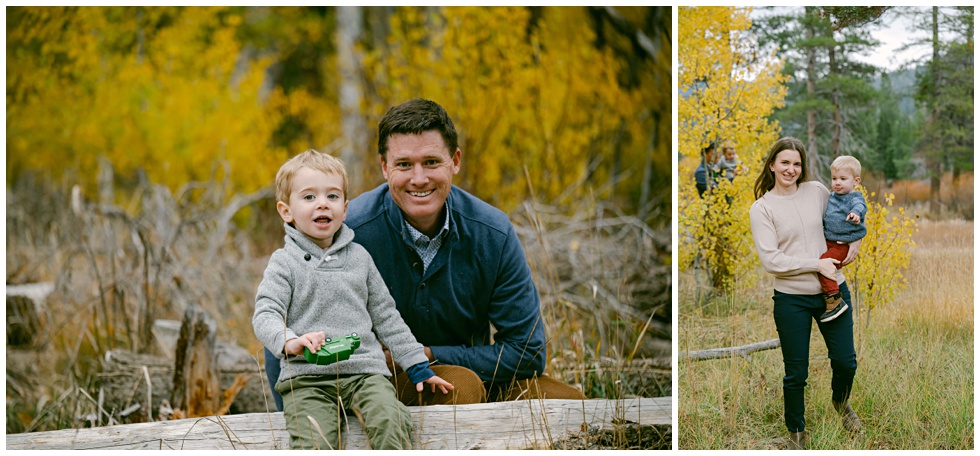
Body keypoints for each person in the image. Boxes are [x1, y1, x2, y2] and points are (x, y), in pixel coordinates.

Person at [264, 99, 585, 410]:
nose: (419, 179)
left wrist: (429, 353)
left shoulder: (492, 233)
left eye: (431, 162)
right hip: (376, 385)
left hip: (475, 375)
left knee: (567, 404)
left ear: (455, 161)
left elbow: (528, 352)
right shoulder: (344, 232)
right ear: (385, 167)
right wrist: (296, 419)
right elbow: (285, 327)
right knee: (461, 388)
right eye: (404, 164)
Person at [253, 149, 453, 449]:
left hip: (365, 373)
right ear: (286, 211)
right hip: (308, 379)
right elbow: (265, 313)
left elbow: (386, 316)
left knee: (392, 421)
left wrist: (416, 365)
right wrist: (288, 341)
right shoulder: (284, 263)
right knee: (314, 442)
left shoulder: (359, 258)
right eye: (309, 197)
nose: (322, 203)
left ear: (345, 209)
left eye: (332, 196)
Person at [748, 137, 862, 450]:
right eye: (785, 162)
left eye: (797, 163)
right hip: (791, 299)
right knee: (796, 371)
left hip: (834, 293)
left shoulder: (817, 192)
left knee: (846, 361)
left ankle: (841, 403)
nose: (791, 169)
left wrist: (855, 242)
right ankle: (796, 432)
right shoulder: (762, 209)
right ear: (772, 165)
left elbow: (848, 212)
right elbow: (772, 260)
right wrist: (816, 264)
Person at [819, 155, 867, 323]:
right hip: (830, 240)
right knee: (819, 259)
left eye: (843, 179)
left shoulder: (855, 198)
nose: (837, 182)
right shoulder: (832, 195)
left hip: (843, 244)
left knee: (825, 263)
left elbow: (860, 206)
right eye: (834, 178)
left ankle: (834, 300)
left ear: (856, 181)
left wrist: (855, 214)